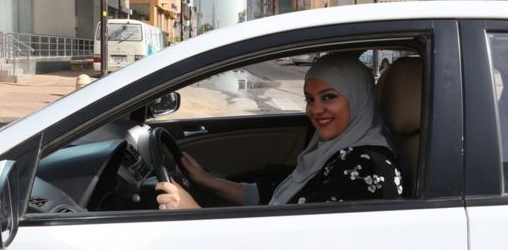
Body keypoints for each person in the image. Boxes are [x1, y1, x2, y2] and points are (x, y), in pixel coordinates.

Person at [156, 54, 403, 209]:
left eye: (329, 97)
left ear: (358, 100)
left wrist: (194, 215)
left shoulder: (366, 168)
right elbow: (275, 197)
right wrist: (207, 181)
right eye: (310, 99)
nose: (316, 110)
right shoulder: (334, 151)